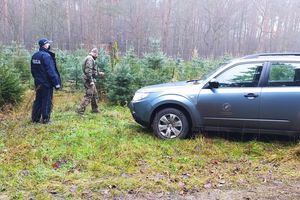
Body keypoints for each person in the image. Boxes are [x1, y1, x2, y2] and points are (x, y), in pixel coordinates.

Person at [31, 38, 61, 123]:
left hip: (38, 83)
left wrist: (37, 79)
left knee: (38, 100)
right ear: (45, 45)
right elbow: (51, 71)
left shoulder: (35, 55)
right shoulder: (46, 56)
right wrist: (56, 83)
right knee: (47, 100)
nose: (49, 45)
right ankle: (45, 119)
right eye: (48, 44)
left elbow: (33, 71)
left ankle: (35, 119)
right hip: (47, 84)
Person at [77, 48, 104, 115]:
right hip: (88, 80)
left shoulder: (90, 59)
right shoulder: (90, 59)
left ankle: (95, 109)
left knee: (94, 94)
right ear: (94, 53)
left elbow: (92, 71)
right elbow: (88, 71)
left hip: (89, 79)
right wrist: (91, 81)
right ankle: (80, 111)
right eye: (97, 54)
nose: (97, 56)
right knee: (89, 95)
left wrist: (99, 73)